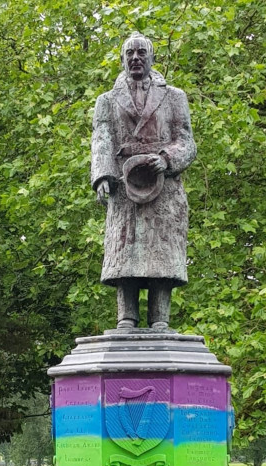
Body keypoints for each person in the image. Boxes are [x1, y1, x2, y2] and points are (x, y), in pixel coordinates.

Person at [91, 32, 197, 331]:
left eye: (141, 53)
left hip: (163, 185)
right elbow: (102, 140)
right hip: (125, 186)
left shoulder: (174, 96)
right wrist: (102, 176)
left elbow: (187, 141)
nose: (135, 58)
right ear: (122, 59)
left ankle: (160, 318)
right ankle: (127, 316)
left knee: (161, 251)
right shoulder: (107, 101)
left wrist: (166, 159)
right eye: (130, 54)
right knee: (125, 249)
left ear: (152, 58)